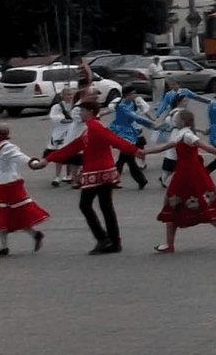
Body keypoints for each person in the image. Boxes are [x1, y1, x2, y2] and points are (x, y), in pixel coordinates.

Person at [38, 95, 142, 254]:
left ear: (91, 112)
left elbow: (113, 139)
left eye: (82, 111)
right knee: (105, 206)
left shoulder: (94, 127)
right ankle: (114, 242)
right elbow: (74, 147)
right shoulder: (90, 128)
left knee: (86, 205)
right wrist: (48, 159)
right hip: (104, 171)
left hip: (97, 172)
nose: (80, 114)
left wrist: (135, 151)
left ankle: (104, 239)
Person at [152, 108, 216, 253]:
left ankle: (170, 244)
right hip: (185, 175)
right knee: (187, 205)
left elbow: (206, 147)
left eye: (177, 118)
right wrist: (142, 152)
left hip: (189, 176)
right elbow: (164, 147)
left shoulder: (187, 135)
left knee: (174, 204)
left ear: (184, 121)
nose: (175, 120)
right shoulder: (181, 134)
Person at [0, 125, 47, 256]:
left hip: (8, 184)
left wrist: (32, 162)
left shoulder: (8, 147)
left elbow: (19, 156)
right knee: (2, 213)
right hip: (0, 184)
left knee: (13, 212)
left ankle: (30, 236)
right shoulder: (0, 147)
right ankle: (7, 245)